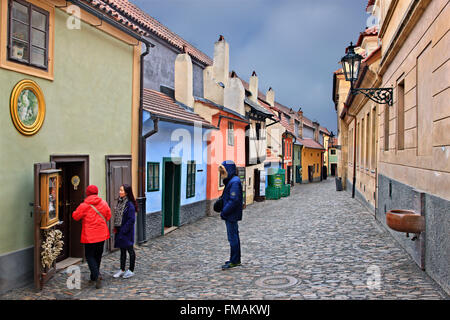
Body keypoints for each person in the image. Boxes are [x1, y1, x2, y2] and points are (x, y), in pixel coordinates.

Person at [72, 185, 111, 289]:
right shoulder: (103, 203)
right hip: (102, 234)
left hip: (89, 236)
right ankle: (94, 276)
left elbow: (75, 216)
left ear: (87, 193)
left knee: (89, 256)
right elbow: (108, 215)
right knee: (98, 255)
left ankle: (96, 275)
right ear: (97, 192)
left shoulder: (84, 205)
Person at [219, 160, 243, 270]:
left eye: (223, 171)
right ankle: (234, 259)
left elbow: (234, 200)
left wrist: (224, 212)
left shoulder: (234, 182)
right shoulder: (232, 181)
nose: (222, 174)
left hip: (231, 215)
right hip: (231, 214)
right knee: (233, 237)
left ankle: (234, 260)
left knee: (233, 238)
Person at [113, 184, 137, 279]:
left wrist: (123, 230)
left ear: (126, 192)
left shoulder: (129, 205)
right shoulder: (120, 202)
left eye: (122, 190)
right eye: (120, 190)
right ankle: (122, 269)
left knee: (130, 250)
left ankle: (131, 270)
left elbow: (131, 220)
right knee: (122, 250)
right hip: (120, 230)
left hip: (127, 232)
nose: (119, 192)